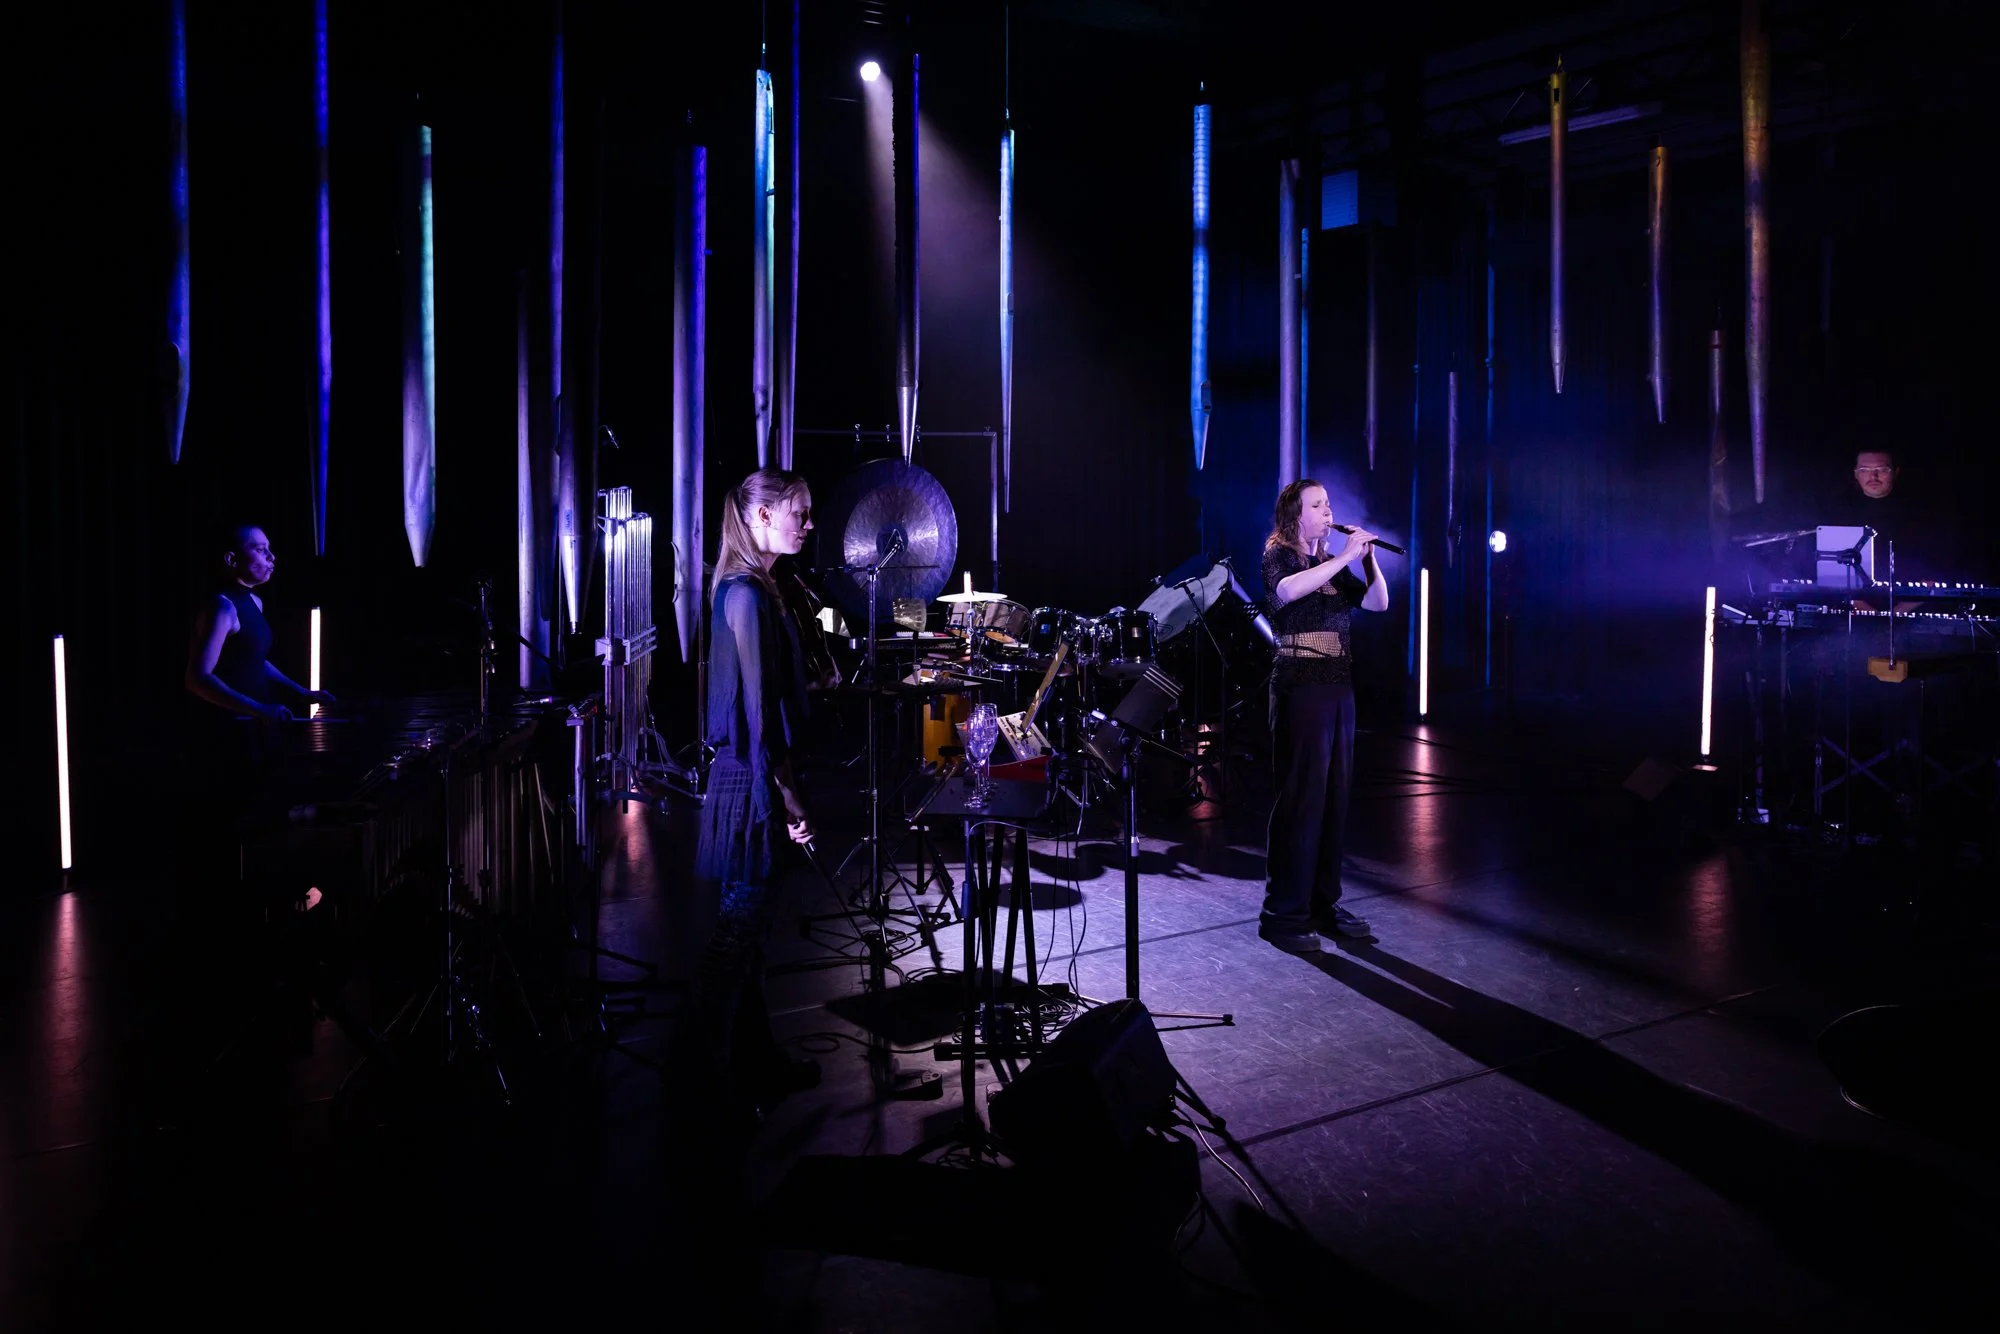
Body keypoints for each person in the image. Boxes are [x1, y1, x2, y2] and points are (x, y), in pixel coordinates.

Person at [695, 468, 823, 1113]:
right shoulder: (744, 593)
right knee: (735, 933)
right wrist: (791, 798)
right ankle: (708, 1075)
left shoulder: (763, 589)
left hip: (756, 773)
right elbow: (756, 715)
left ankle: (750, 1059)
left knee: (748, 933)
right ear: (761, 515)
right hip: (750, 780)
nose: (807, 522)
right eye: (798, 511)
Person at [1259, 480, 1389, 955]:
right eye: (1318, 505)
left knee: (1334, 799)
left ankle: (1322, 904)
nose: (1328, 511)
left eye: (1329, 503)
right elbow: (1288, 591)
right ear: (1296, 515)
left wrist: (1368, 557)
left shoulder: (1328, 564)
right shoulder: (1281, 555)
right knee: (1302, 800)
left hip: (1338, 689)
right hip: (1300, 686)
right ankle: (1283, 913)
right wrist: (1344, 558)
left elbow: (1378, 603)